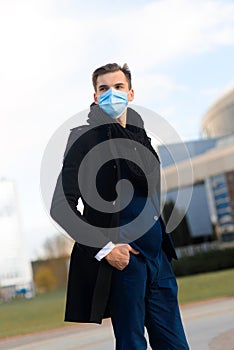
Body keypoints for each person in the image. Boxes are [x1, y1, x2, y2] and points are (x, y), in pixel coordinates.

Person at [50, 63, 190, 349]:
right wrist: (107, 250)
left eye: (118, 87)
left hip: (158, 259)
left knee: (176, 344)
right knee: (132, 344)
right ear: (94, 96)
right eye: (103, 89)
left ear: (131, 93)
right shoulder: (84, 139)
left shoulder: (142, 138)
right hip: (125, 263)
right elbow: (61, 206)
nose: (111, 94)